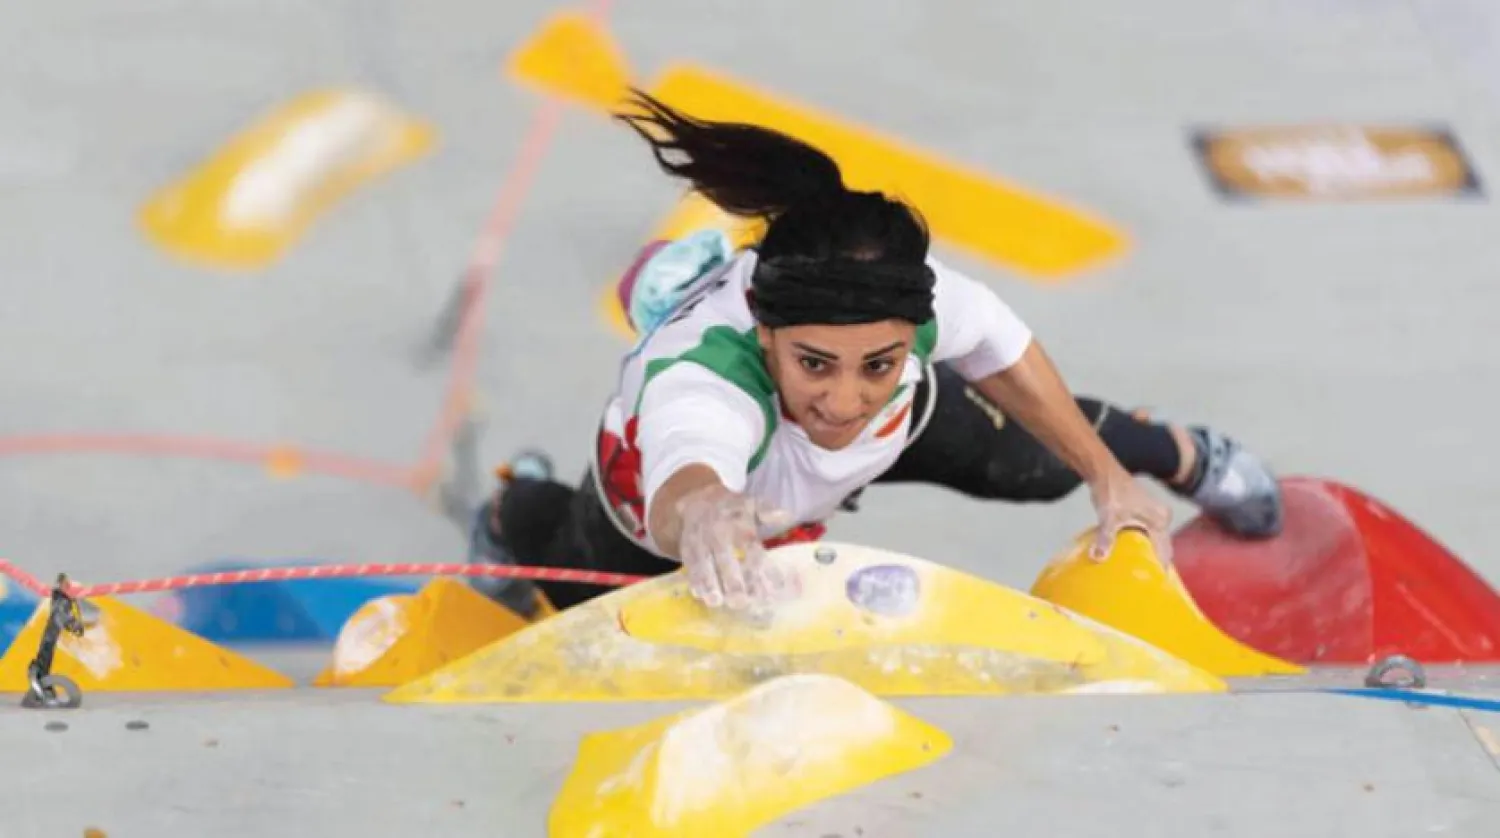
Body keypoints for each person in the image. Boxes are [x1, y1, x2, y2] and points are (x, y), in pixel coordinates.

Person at [468, 89, 1283, 616]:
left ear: (910, 339)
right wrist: (704, 513)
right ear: (765, 334)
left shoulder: (905, 302)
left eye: (880, 364)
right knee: (573, 575)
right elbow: (688, 464)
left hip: (838, 457)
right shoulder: (702, 381)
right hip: (656, 511)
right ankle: (513, 506)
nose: (847, 401)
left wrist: (1110, 481)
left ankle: (1185, 454)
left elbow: (1003, 351)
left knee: (1032, 463)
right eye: (814, 363)